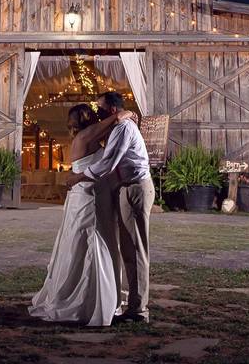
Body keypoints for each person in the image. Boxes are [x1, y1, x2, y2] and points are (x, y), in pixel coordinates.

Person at [28, 104, 135, 326]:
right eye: (94, 113)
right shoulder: (88, 134)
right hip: (89, 197)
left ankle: (89, 295)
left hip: (85, 195)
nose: (98, 115)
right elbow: (117, 119)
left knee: (79, 242)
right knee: (93, 242)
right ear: (87, 117)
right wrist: (129, 113)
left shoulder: (84, 137)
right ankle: (89, 301)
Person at [76, 91, 154, 324]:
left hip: (134, 188)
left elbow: (109, 162)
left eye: (100, 108)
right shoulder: (115, 127)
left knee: (136, 248)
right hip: (124, 188)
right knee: (126, 248)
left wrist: (78, 177)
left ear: (111, 110)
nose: (97, 112)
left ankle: (139, 310)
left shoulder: (123, 129)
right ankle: (128, 303)